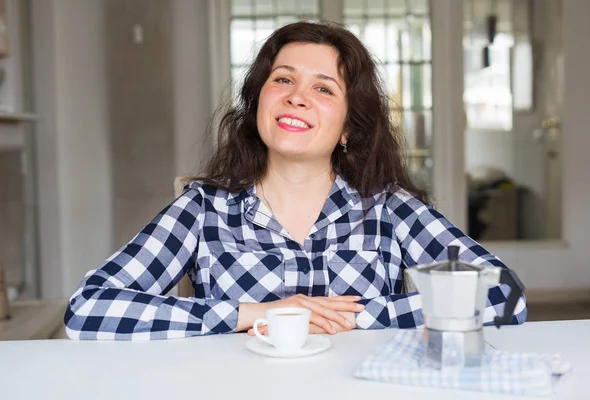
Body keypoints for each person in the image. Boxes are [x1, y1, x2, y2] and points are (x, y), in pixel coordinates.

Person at [64, 21, 527, 340]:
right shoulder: (203, 207)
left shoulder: (389, 207)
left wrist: (354, 317)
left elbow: (503, 297)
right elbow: (89, 309)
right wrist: (256, 314)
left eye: (324, 88)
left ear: (349, 128)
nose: (296, 98)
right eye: (282, 80)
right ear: (259, 104)